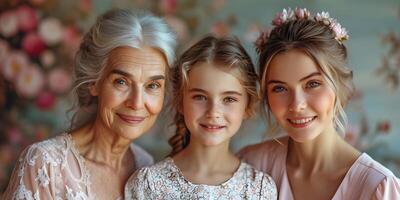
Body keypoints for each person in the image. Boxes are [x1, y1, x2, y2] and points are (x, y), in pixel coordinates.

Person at [4, 9, 176, 199]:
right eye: (121, 82)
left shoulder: (145, 166)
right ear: (94, 83)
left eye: (152, 85)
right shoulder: (46, 163)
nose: (136, 103)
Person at [238, 8, 400, 200]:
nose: (296, 105)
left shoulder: (378, 187)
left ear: (340, 86)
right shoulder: (250, 166)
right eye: (280, 88)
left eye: (312, 84)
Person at [126, 35, 277, 199]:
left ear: (247, 106)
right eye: (200, 97)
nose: (213, 112)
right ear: (180, 101)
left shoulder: (260, 190)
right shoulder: (147, 185)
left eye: (229, 99)